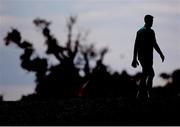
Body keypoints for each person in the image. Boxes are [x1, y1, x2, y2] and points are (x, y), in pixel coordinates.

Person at [132, 15, 165, 98]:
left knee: (146, 74)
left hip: (146, 57)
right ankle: (147, 93)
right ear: (147, 21)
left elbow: (137, 46)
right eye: (151, 21)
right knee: (150, 74)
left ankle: (142, 93)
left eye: (152, 21)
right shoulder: (146, 32)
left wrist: (135, 58)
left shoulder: (141, 31)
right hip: (145, 57)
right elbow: (138, 46)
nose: (152, 23)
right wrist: (161, 53)